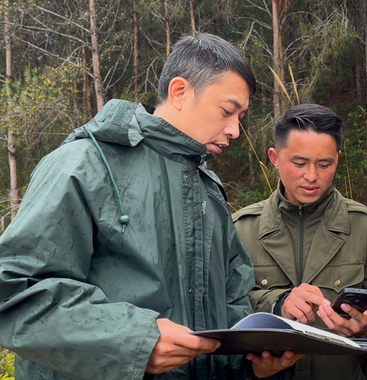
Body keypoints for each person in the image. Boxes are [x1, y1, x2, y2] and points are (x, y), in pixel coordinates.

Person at [0, 33, 301, 380]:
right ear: (179, 92)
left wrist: (253, 365)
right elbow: (17, 292)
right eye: (227, 111)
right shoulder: (83, 164)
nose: (235, 130)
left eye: (241, 116)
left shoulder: (209, 190)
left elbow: (232, 305)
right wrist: (135, 342)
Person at [232, 104, 367, 380]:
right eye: (299, 163)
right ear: (274, 158)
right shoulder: (241, 228)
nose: (311, 176)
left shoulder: (366, 226)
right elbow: (226, 306)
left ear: (338, 160)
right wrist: (277, 303)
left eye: (324, 164)